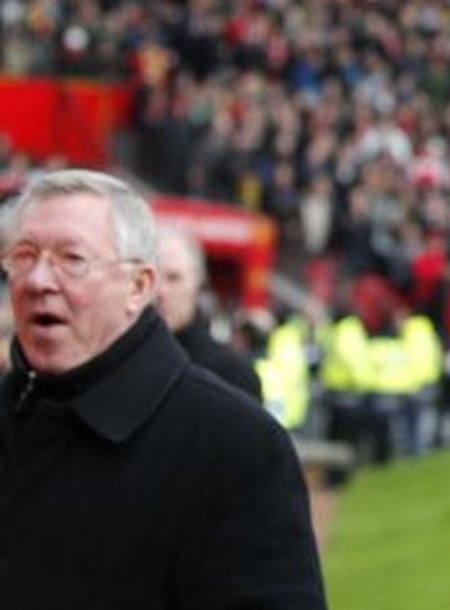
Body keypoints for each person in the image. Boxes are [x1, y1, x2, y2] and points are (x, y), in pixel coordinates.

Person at [0, 169, 326, 609]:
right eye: (24, 256)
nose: (38, 280)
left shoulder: (236, 445)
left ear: (138, 287)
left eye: (71, 259)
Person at [154, 225, 263, 400]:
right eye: (152, 277)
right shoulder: (119, 361)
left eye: (174, 278)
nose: (160, 291)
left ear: (198, 284)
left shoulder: (231, 374)